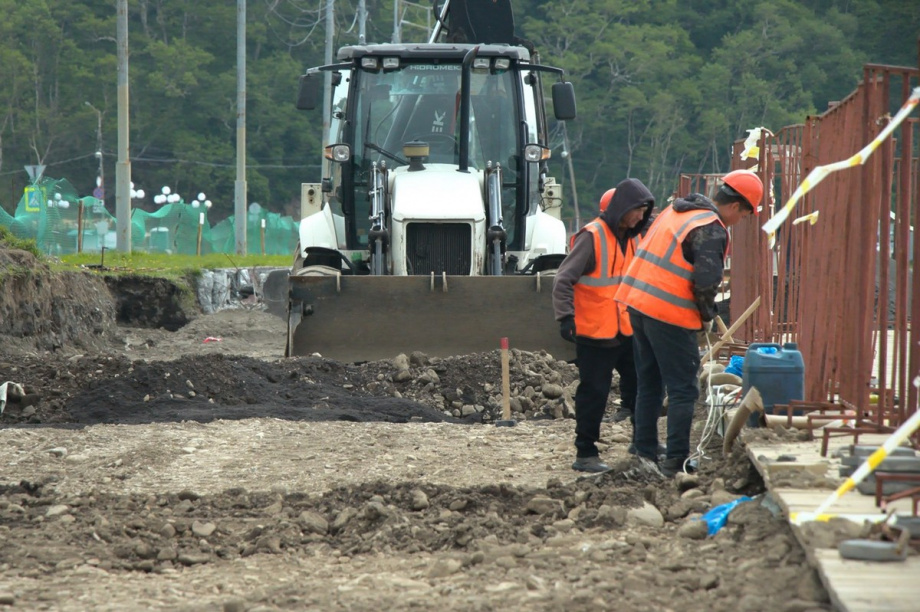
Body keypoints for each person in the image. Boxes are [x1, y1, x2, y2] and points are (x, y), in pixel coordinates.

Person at [615, 169, 764, 477]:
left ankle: (643, 450)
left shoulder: (678, 211)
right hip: (668, 313)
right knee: (684, 390)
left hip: (638, 305)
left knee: (650, 383)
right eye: (746, 214)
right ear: (736, 206)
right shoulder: (711, 227)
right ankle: (676, 462)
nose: (742, 221)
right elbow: (706, 281)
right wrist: (707, 317)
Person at [553, 178, 655, 473]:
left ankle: (643, 444)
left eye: (644, 212)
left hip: (628, 328)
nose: (640, 217)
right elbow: (563, 280)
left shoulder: (635, 238)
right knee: (594, 393)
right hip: (595, 331)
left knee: (640, 387)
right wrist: (565, 317)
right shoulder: (592, 237)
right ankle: (585, 453)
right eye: (637, 211)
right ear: (623, 208)